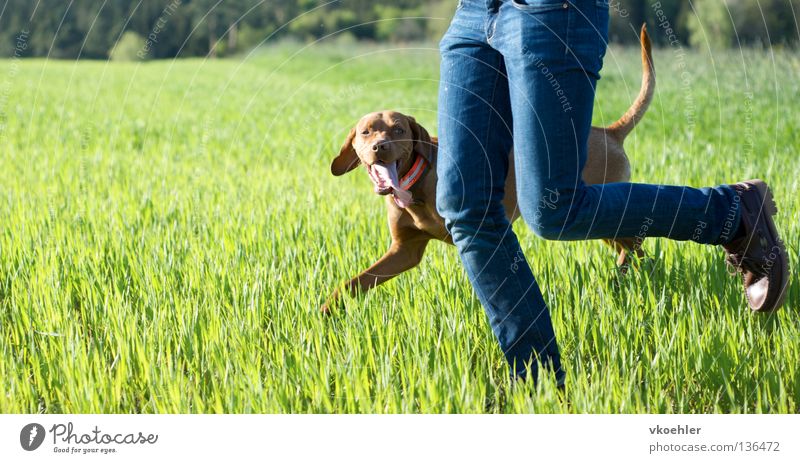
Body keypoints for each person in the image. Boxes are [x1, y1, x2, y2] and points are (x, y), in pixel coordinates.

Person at [435, 0, 789, 386]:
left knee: (554, 209)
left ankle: (731, 213)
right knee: (465, 206)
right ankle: (540, 385)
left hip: (549, 12)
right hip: (473, 13)